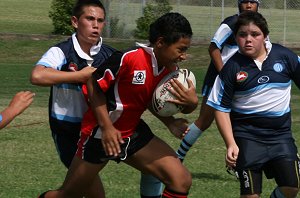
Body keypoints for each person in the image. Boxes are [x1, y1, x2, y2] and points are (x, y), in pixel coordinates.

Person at [38, 12, 198, 198]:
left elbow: (149, 100)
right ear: (161, 42)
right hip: (100, 135)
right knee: (68, 194)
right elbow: (93, 84)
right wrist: (107, 128)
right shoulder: (130, 58)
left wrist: (179, 114)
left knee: (181, 179)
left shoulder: (170, 71)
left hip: (133, 133)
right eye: (181, 49)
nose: (184, 56)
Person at [207, 11, 300, 198]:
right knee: (250, 195)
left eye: (255, 34)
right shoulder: (231, 67)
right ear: (236, 37)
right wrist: (230, 144)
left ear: (265, 36)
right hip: (247, 138)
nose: (248, 40)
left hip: (280, 137)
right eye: (242, 35)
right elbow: (220, 108)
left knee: (292, 187)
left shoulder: (285, 56)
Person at [30, 0, 116, 197]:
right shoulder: (61, 51)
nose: (96, 25)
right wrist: (79, 76)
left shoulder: (111, 55)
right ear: (75, 22)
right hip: (68, 133)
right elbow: (37, 76)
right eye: (90, 19)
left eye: (101, 20)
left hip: (96, 133)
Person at [176, 0, 263, 162]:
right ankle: (178, 156)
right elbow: (213, 47)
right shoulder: (231, 23)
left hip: (242, 82)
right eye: (245, 2)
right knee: (204, 121)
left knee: (243, 122)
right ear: (239, 4)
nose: (249, 5)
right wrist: (225, 74)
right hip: (219, 80)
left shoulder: (259, 25)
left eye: (253, 2)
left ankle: (238, 162)